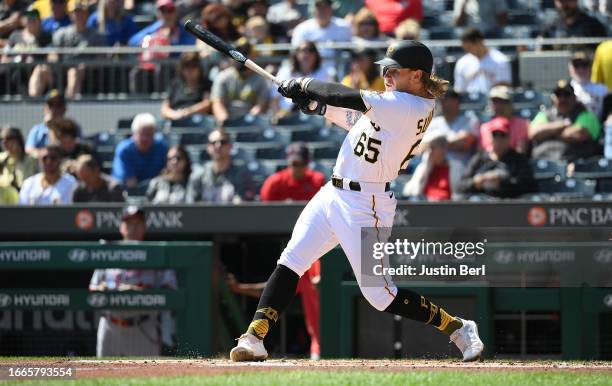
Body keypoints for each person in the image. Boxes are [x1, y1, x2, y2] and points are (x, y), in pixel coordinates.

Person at [230, 40, 484, 362]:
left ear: (418, 75)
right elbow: (354, 119)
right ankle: (255, 337)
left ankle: (458, 327)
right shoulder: (397, 105)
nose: (387, 74)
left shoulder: (410, 106)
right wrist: (316, 107)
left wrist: (304, 84)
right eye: (385, 69)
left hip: (368, 204)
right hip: (333, 193)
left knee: (380, 295)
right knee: (292, 259)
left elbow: (344, 95)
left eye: (394, 70)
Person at [259, 142, 325, 359]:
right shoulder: (276, 182)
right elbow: (262, 212)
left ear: (308, 163)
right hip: (283, 246)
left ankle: (317, 343)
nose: (298, 168)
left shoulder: (317, 181)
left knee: (311, 282)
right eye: (294, 163)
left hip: (312, 245)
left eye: (302, 163)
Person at [89, 206, 177, 357]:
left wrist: (141, 293)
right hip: (111, 325)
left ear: (144, 228)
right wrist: (103, 290)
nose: (133, 228)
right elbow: (92, 288)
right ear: (121, 227)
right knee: (103, 379)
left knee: (147, 379)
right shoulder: (108, 253)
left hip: (142, 325)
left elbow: (170, 291)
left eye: (137, 224)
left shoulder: (156, 254)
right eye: (129, 223)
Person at [457, 118, 535, 198]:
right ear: (490, 137)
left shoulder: (518, 159)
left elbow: (529, 186)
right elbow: (460, 186)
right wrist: (475, 182)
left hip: (509, 206)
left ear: (509, 137)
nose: (498, 140)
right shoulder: (479, 158)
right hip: (481, 206)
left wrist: (502, 182)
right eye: (495, 135)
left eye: (502, 135)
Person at [529, 80, 602, 161]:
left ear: (574, 97)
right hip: (543, 163)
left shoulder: (586, 115)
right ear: (553, 98)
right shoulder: (544, 114)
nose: (562, 99)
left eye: (566, 95)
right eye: (558, 95)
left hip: (575, 164)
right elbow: (533, 133)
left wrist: (548, 132)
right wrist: (563, 124)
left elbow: (577, 135)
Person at [51, 0, 107, 98]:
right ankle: (32, 104)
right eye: (76, 12)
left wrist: (87, 65)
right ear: (70, 15)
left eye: (82, 12)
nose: (79, 16)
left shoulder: (96, 36)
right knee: (40, 70)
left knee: (74, 72)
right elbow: (52, 54)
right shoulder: (61, 33)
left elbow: (101, 58)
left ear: (87, 15)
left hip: (87, 75)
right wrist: (56, 61)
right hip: (61, 71)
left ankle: (69, 103)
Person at [210, 38, 270, 124]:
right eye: (237, 54)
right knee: (216, 137)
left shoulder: (261, 79)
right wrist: (226, 123)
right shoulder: (222, 77)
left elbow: (260, 106)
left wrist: (247, 122)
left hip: (251, 123)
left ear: (253, 56)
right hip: (227, 122)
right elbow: (218, 104)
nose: (239, 57)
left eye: (245, 53)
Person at [187, 128, 255, 203]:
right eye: (213, 143)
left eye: (222, 142)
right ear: (208, 148)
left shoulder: (242, 175)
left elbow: (246, 205)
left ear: (230, 146)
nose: (218, 146)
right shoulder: (198, 175)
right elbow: (192, 206)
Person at [291, 0, 351, 78]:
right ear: (313, 9)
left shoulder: (344, 27)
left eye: (326, 7)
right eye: (319, 7)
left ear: (331, 9)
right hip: (309, 72)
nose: (323, 11)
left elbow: (349, 51)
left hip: (338, 70)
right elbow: (297, 53)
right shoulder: (302, 28)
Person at [2, 5, 52, 97]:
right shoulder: (15, 35)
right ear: (24, 20)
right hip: (15, 74)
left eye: (34, 17)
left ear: (39, 20)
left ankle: (33, 102)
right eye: (28, 17)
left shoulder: (46, 38)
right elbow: (4, 58)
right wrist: (18, 59)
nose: (31, 20)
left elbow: (52, 58)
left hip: (37, 74)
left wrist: (34, 61)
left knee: (40, 70)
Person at [272, 41, 331, 117]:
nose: (306, 54)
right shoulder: (285, 71)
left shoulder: (323, 73)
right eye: (303, 50)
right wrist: (278, 117)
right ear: (296, 54)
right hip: (286, 116)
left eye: (311, 50)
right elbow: (274, 99)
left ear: (316, 55)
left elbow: (328, 101)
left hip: (314, 118)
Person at [403, 129, 464, 201]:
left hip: (449, 208)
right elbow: (408, 192)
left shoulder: (457, 166)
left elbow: (460, 192)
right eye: (428, 148)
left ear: (443, 149)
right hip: (424, 207)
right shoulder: (423, 167)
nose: (429, 151)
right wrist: (425, 169)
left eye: (432, 148)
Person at [111, 112, 168, 188]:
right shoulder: (124, 150)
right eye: (142, 134)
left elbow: (165, 174)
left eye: (149, 134)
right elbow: (130, 183)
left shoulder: (161, 147)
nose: (145, 138)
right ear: (134, 133)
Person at [425, 90, 479, 166]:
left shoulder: (469, 120)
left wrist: (436, 145)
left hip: (458, 167)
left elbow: (465, 143)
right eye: (442, 100)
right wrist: (450, 144)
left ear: (457, 102)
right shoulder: (433, 122)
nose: (443, 103)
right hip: (431, 166)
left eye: (447, 99)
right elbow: (422, 146)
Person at [454, 28, 511, 94]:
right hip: (469, 102)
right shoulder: (462, 62)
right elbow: (459, 89)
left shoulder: (500, 60)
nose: (468, 51)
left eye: (469, 47)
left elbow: (504, 87)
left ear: (479, 41)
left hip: (494, 101)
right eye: (466, 49)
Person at [160, 51, 212, 121]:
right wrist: (175, 115)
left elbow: (207, 104)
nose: (190, 70)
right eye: (186, 66)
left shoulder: (206, 84)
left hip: (198, 120)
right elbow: (165, 108)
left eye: (193, 66)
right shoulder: (175, 84)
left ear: (199, 68)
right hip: (175, 120)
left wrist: (187, 112)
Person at [26, 90, 80, 155]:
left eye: (59, 105)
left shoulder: (73, 127)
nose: (55, 109)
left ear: (65, 109)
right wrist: (46, 156)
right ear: (45, 109)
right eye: (51, 105)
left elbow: (77, 148)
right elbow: (29, 150)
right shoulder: (36, 130)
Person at [479, 85, 529, 154]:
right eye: (495, 102)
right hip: (491, 163)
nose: (499, 106)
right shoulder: (485, 127)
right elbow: (484, 153)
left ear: (510, 104)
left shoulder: (522, 124)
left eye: (502, 102)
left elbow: (520, 152)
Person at [539, 0, 607, 45]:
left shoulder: (594, 26)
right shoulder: (549, 28)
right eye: (561, 1)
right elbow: (541, 56)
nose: (565, 5)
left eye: (569, 0)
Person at [568, 51, 609, 120]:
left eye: (584, 65)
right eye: (576, 65)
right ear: (570, 68)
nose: (580, 69)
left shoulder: (602, 89)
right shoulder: (565, 89)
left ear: (591, 67)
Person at [0, 126, 38, 190]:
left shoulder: (31, 160)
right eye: (1, 139)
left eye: (9, 138)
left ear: (18, 140)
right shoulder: (1, 158)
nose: (4, 142)